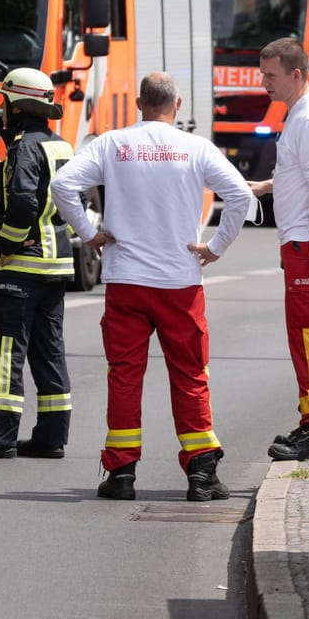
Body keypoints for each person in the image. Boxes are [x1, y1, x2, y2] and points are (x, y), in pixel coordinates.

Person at [50, 73, 254, 500]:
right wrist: (216, 247)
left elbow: (63, 184)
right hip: (179, 282)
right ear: (177, 105)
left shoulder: (112, 144)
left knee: (124, 376)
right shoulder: (196, 148)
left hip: (125, 280)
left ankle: (121, 474)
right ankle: (201, 473)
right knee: (190, 374)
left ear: (139, 103)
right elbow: (239, 196)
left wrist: (89, 232)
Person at [0, 68, 76, 460]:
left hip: (23, 265)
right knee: (49, 351)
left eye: (4, 101)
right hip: (56, 265)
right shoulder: (61, 145)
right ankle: (51, 436)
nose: (0, 109)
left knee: (6, 350)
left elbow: (24, 201)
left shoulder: (24, 147)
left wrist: (6, 246)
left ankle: (0, 436)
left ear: (17, 106)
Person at [248, 37, 309, 462]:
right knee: (305, 334)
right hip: (304, 241)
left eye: (269, 76)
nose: (263, 83)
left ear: (295, 74)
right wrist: (269, 186)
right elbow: (304, 174)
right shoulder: (302, 113)